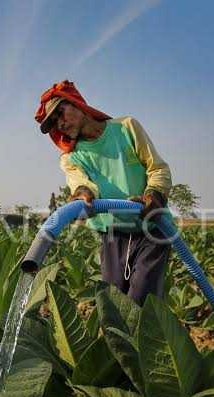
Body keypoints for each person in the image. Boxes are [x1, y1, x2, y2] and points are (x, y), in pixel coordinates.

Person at [35, 80, 173, 305]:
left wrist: (154, 194)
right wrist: (82, 196)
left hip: (153, 229)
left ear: (77, 104)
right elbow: (83, 186)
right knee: (114, 310)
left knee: (140, 305)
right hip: (112, 235)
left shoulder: (126, 128)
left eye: (61, 113)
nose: (60, 123)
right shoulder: (71, 158)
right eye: (54, 123)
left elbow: (157, 168)